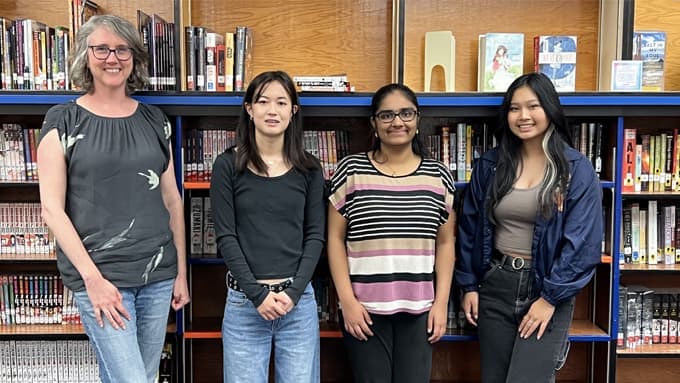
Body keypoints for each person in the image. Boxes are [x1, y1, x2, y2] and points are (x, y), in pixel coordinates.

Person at [37, 15, 189, 383]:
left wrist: (181, 272)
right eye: (101, 48)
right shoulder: (63, 120)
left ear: (134, 57)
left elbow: (172, 201)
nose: (112, 58)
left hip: (158, 274)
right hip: (101, 277)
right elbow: (51, 210)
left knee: (141, 376)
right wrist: (93, 281)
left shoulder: (155, 120)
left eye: (122, 49)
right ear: (85, 57)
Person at [456, 72, 603, 383]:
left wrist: (549, 298)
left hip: (546, 288)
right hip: (496, 284)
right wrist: (469, 285)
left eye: (532, 106)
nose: (523, 116)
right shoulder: (490, 165)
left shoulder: (576, 169)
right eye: (514, 108)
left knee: (530, 378)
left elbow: (583, 245)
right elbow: (469, 228)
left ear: (549, 109)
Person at [327, 83, 456, 382]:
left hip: (420, 310)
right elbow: (334, 239)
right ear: (373, 123)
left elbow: (446, 242)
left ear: (417, 119)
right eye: (386, 115)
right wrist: (347, 301)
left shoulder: (438, 175)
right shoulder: (351, 171)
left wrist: (441, 303)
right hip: (365, 310)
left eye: (406, 113)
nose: (397, 122)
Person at [210, 70, 325, 383]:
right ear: (249, 108)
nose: (272, 110)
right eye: (262, 101)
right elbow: (226, 237)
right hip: (244, 303)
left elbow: (315, 237)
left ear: (293, 110)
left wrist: (294, 292)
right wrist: (258, 295)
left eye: (281, 102)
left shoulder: (310, 169)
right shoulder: (227, 166)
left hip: (297, 305)